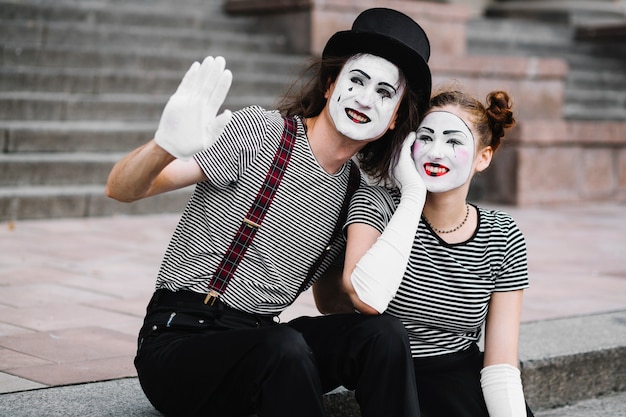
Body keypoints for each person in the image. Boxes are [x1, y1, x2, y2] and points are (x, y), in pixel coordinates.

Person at [105, 8, 432, 417]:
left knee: (382, 335)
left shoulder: (356, 191)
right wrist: (164, 146)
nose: (367, 100)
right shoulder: (261, 133)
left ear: (395, 120)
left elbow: (331, 302)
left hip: (265, 342)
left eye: (386, 93)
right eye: (358, 81)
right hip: (181, 341)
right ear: (331, 85)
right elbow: (120, 189)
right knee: (284, 349)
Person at [318, 85, 535, 417]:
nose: (436, 152)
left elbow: (501, 363)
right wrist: (413, 194)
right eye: (426, 138)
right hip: (392, 372)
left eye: (453, 141)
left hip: (461, 374)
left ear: (483, 157)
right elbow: (362, 294)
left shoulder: (502, 234)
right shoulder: (377, 205)